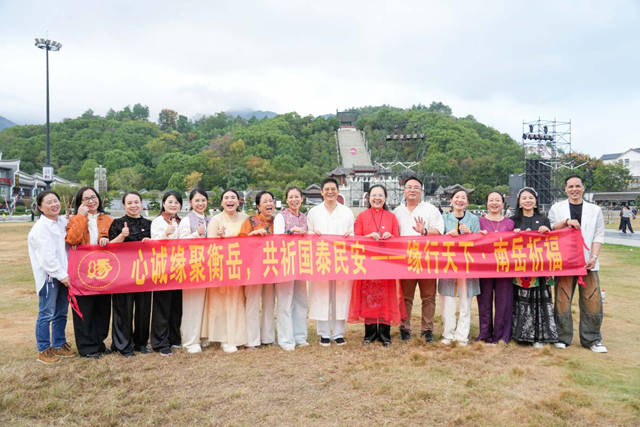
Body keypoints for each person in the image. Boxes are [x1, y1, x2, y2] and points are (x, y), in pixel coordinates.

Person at [548, 175, 607, 353]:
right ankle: (562, 337)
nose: (574, 189)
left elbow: (598, 234)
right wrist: (565, 222)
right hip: (565, 263)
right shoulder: (556, 208)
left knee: (592, 300)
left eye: (577, 186)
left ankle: (592, 339)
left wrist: (594, 256)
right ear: (566, 189)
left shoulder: (595, 210)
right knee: (562, 300)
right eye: (571, 186)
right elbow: (551, 230)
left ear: (583, 188)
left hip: (588, 262)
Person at [348, 185, 404, 346]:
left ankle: (385, 334)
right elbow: (356, 239)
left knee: (386, 297)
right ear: (368, 197)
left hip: (386, 264)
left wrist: (391, 236)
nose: (377, 198)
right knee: (369, 297)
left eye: (380, 195)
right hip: (368, 264)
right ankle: (370, 334)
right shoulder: (361, 216)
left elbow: (398, 241)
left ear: (385, 198)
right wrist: (367, 237)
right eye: (374, 195)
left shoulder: (391, 217)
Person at [393, 176, 444, 343]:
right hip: (405, 261)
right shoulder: (397, 211)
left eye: (416, 187)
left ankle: (427, 330)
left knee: (428, 297)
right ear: (404, 190)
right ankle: (404, 327)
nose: (412, 190)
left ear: (421, 191)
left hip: (426, 259)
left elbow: (439, 232)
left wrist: (425, 231)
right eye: (409, 187)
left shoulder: (431, 209)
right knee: (405, 297)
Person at [28, 190, 76, 364]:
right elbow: (46, 257)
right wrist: (61, 275)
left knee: (61, 312)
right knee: (46, 313)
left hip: (64, 274)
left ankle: (59, 344)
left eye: (55, 201)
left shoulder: (62, 221)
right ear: (40, 207)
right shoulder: (40, 228)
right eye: (49, 202)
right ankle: (43, 349)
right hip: (50, 277)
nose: (54, 204)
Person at [65, 186, 113, 359]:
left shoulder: (108, 219)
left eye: (93, 197)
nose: (91, 201)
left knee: (102, 308)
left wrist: (107, 239)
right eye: (86, 199)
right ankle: (87, 347)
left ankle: (99, 342)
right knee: (85, 308)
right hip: (82, 271)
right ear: (80, 203)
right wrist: (81, 217)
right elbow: (72, 239)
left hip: (104, 270)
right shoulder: (75, 219)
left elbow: (116, 242)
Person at [307, 178, 355, 346]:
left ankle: (339, 333)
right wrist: (313, 234)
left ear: (338, 191)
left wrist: (349, 236)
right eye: (326, 189)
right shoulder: (314, 212)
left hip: (341, 258)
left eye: (333, 189)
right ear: (322, 192)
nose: (330, 192)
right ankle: (324, 333)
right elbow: (307, 234)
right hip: (321, 258)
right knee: (321, 294)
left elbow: (353, 233)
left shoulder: (346, 212)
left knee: (341, 295)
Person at [510, 187, 558, 348]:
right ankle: (521, 334)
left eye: (530, 197)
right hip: (520, 268)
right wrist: (513, 234)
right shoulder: (513, 220)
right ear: (519, 202)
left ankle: (539, 336)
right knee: (521, 300)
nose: (527, 201)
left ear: (536, 201)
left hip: (539, 268)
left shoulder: (543, 219)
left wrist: (547, 232)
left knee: (539, 301)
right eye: (524, 198)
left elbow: (551, 242)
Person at [108, 191, 152, 357]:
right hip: (123, 275)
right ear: (124, 205)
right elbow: (110, 248)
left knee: (143, 309)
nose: (133, 206)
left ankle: (141, 343)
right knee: (123, 310)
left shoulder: (149, 224)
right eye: (130, 203)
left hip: (144, 273)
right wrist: (122, 236)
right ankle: (122, 344)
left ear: (141, 203)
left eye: (136, 202)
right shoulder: (118, 223)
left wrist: (151, 242)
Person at [206, 189, 248, 353]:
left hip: (240, 267)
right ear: (222, 202)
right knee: (221, 303)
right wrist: (219, 238)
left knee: (238, 301)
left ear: (238, 201)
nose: (230, 200)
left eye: (233, 198)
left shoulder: (245, 218)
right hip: (222, 266)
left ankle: (239, 336)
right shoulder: (215, 220)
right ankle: (224, 338)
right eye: (226, 198)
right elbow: (209, 246)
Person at [438, 188, 480, 345]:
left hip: (467, 264)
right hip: (448, 264)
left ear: (467, 202)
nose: (460, 200)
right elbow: (437, 241)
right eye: (457, 197)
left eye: (463, 197)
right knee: (447, 300)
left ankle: (462, 335)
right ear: (451, 200)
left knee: (465, 300)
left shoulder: (473, 219)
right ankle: (448, 334)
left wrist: (470, 234)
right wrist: (447, 236)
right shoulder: (443, 218)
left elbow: (479, 243)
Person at [273, 186, 309, 351]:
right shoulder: (281, 217)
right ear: (286, 200)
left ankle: (300, 336)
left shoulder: (305, 217)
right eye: (291, 197)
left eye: (297, 197)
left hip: (301, 263)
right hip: (285, 263)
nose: (294, 200)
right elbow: (277, 238)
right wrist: (290, 232)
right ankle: (286, 339)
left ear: (302, 199)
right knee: (285, 302)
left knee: (301, 301)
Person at [239, 190, 276, 348]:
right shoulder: (250, 221)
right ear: (258, 206)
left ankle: (268, 338)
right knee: (252, 303)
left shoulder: (277, 222)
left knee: (269, 303)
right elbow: (240, 242)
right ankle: (252, 339)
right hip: (252, 269)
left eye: (271, 201)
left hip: (271, 268)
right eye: (265, 201)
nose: (269, 204)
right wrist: (253, 234)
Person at [477, 191, 515, 344]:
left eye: (497, 200)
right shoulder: (479, 222)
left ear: (503, 204)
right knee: (484, 301)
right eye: (491, 200)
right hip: (484, 268)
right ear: (486, 203)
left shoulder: (510, 223)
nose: (494, 203)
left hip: (504, 268)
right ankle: (485, 333)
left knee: (504, 302)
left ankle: (501, 335)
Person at [149, 191, 183, 356]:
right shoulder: (157, 222)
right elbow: (153, 244)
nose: (173, 205)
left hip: (179, 267)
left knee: (176, 305)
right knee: (162, 305)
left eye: (176, 202)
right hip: (162, 267)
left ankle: (174, 338)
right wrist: (166, 234)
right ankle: (160, 342)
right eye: (170, 202)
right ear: (163, 203)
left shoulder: (180, 221)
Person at [178, 188, 211, 354]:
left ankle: (203, 336)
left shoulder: (209, 219)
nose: (200, 203)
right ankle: (190, 340)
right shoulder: (186, 220)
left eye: (203, 200)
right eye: (197, 200)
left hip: (209, 266)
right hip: (192, 266)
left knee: (206, 304)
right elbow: (181, 242)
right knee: (192, 304)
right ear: (190, 202)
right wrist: (196, 235)